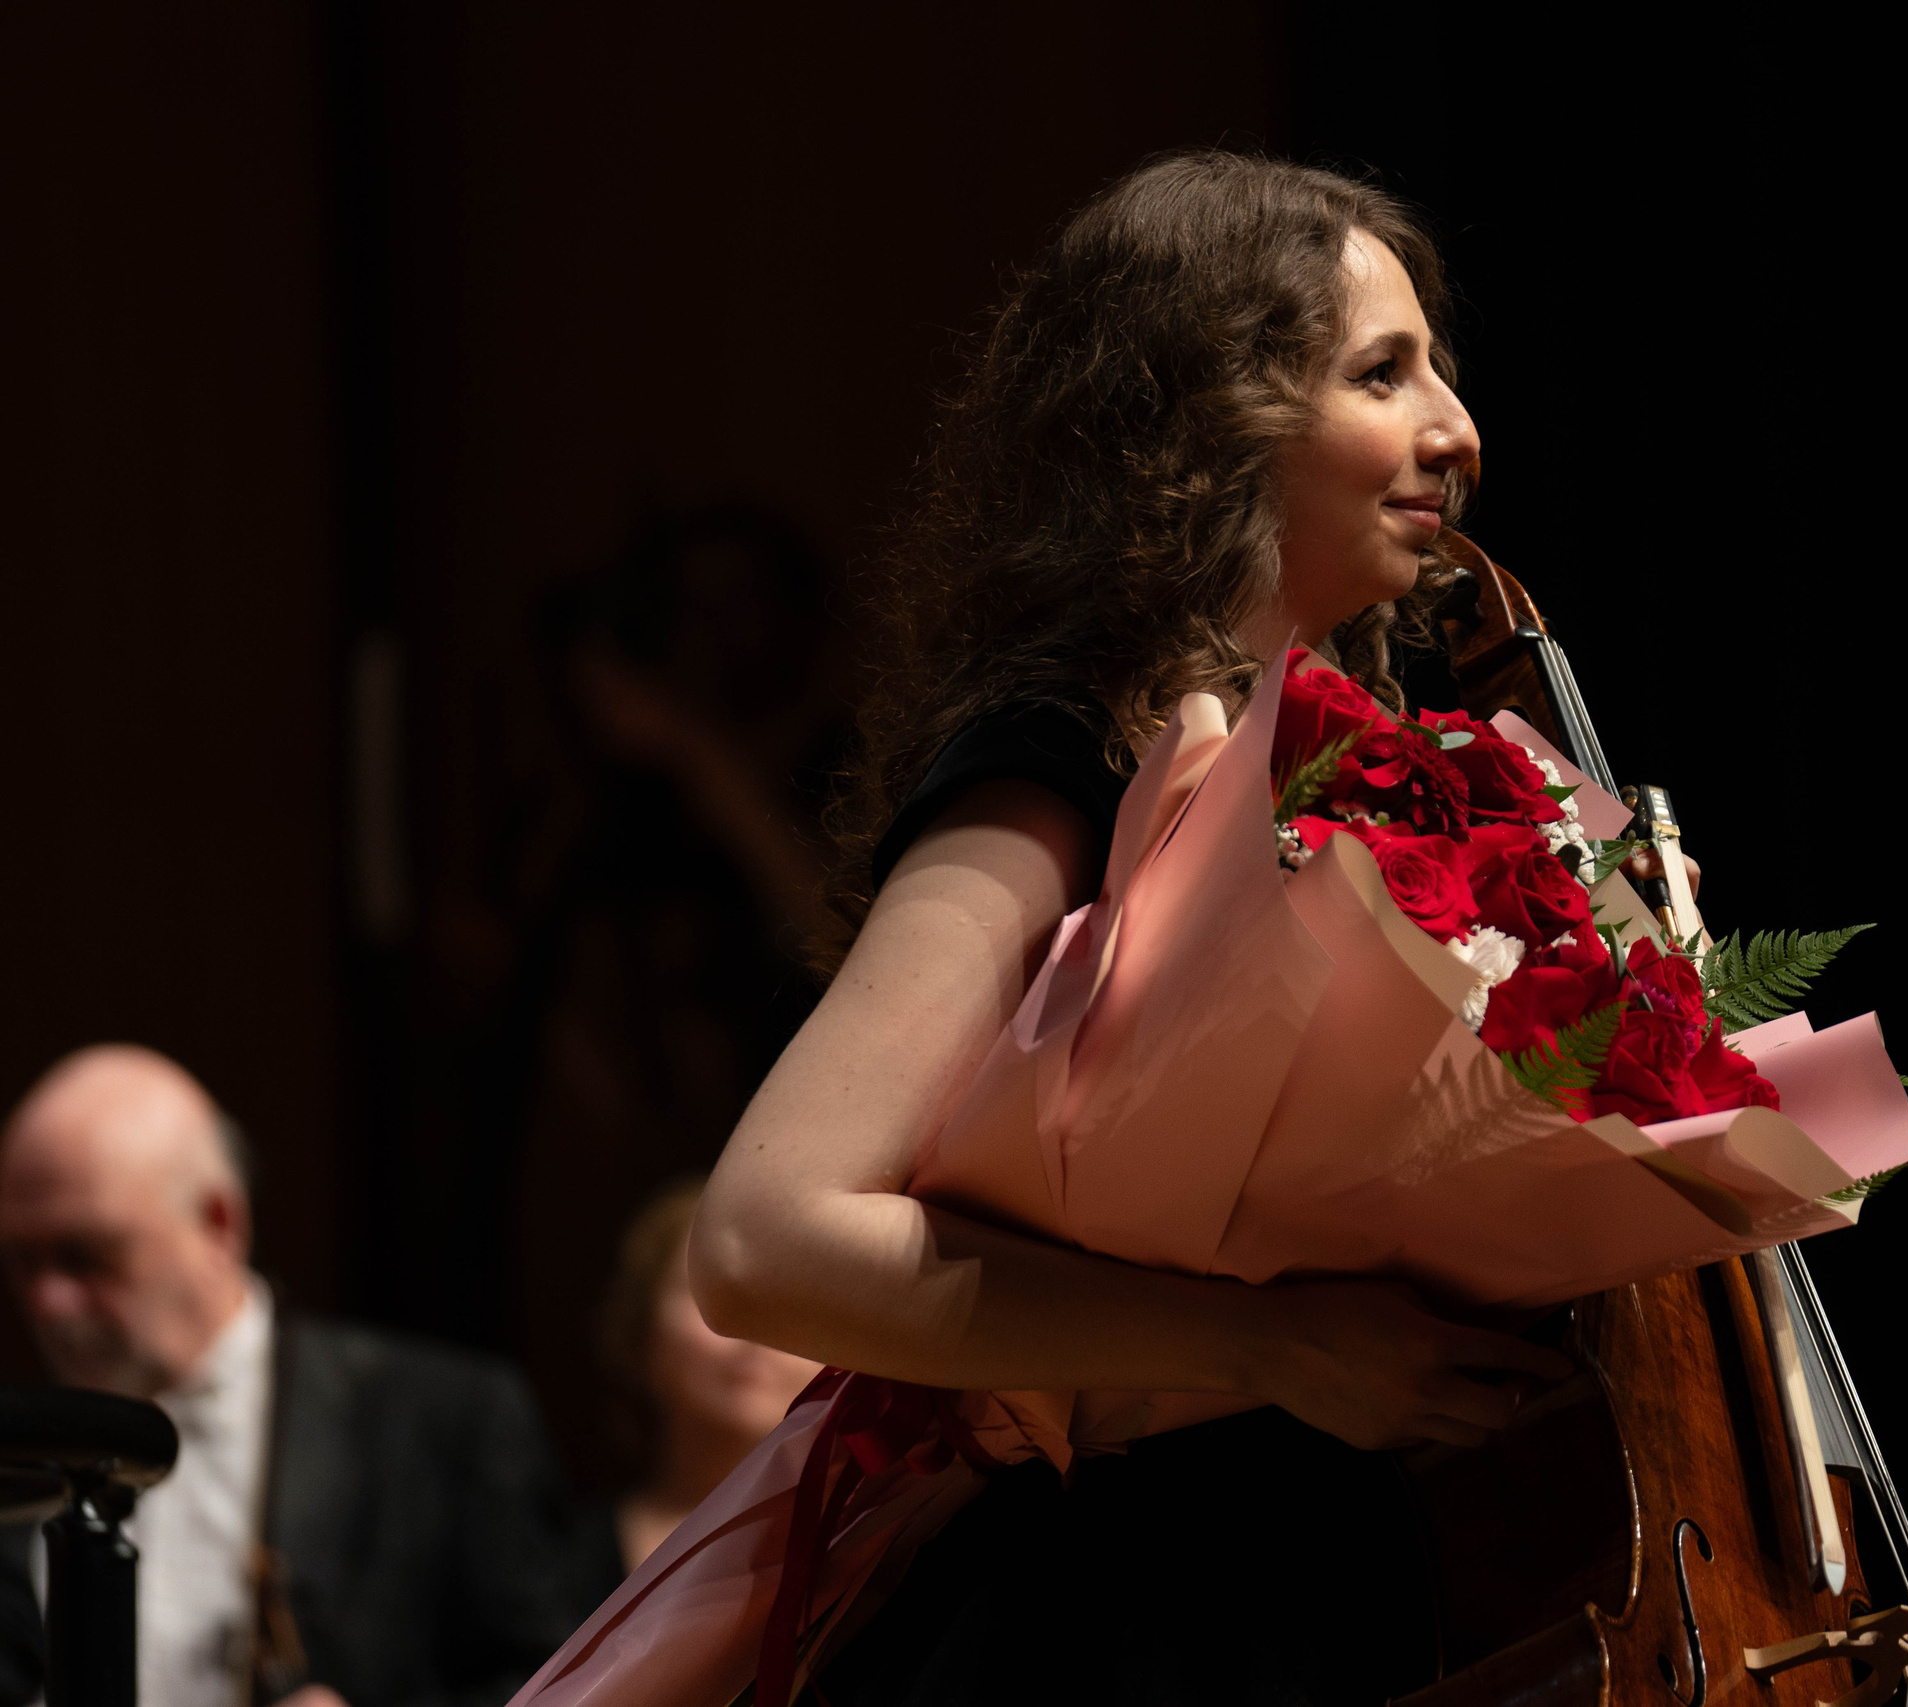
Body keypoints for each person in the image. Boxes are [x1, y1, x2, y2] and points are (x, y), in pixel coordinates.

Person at [687, 153, 1620, 1702]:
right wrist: (1264, 1345)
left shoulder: (1378, 778)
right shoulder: (1060, 762)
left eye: (1440, 372)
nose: (1458, 430)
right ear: (1211, 424)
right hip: (1119, 1627)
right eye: (1384, 374)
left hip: (1358, 1598)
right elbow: (766, 1237)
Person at [0, 1045, 588, 1707]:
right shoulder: (14, 1446)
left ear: (220, 1222)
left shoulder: (444, 1415)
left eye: (87, 1253)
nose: (48, 1300)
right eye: (23, 1260)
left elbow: (574, 1685)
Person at [565, 1177, 820, 1603]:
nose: (755, 1329)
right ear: (639, 1331)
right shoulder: (552, 1557)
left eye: (794, 1301)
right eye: (712, 1295)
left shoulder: (870, 1557)